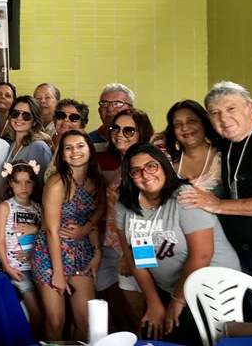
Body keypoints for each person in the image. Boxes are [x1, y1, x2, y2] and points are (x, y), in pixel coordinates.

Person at [116, 143, 240, 345]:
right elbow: (135, 256)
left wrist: (177, 300)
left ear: (163, 165)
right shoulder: (126, 204)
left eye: (151, 166)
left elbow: (202, 256)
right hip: (169, 287)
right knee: (152, 333)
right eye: (136, 171)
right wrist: (154, 302)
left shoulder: (185, 197)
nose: (145, 175)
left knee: (186, 332)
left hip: (210, 286)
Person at [179, 82, 252, 307]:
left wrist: (217, 205)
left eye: (231, 108)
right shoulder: (227, 143)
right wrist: (163, 139)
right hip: (239, 253)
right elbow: (194, 142)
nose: (223, 118)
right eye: (215, 113)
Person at [33, 130, 105, 342]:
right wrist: (58, 272)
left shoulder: (97, 181)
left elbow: (99, 211)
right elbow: (51, 230)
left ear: (89, 150)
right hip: (50, 252)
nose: (75, 151)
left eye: (80, 146)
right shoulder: (57, 183)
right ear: (62, 155)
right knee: (56, 321)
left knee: (86, 320)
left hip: (81, 250)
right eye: (68, 148)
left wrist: (96, 249)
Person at [99, 108, 154, 334]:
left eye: (129, 130)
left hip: (136, 249)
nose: (120, 134)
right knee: (130, 316)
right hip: (116, 245)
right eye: (116, 128)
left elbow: (149, 214)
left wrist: (128, 253)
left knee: (142, 316)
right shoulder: (124, 164)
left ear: (142, 133)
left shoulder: (143, 166)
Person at [0, 161, 44, 335]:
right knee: (37, 313)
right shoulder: (5, 206)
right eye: (18, 182)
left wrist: (35, 228)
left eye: (28, 182)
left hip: (37, 266)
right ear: (10, 183)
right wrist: (7, 267)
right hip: (17, 269)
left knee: (45, 311)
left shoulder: (38, 208)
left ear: (34, 183)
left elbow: (45, 234)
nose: (23, 187)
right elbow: (0, 238)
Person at [163, 100, 222, 191]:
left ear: (204, 123)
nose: (184, 128)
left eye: (191, 121)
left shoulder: (223, 158)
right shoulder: (167, 162)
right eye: (177, 124)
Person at [3, 96, 53, 172]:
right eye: (15, 113)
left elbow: (40, 178)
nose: (19, 118)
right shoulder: (12, 145)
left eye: (26, 115)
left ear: (35, 121)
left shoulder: (39, 147)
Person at [91, 83, 136, 150]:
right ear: (99, 111)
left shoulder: (143, 140)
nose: (110, 109)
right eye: (104, 103)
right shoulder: (87, 141)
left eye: (117, 103)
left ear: (131, 110)